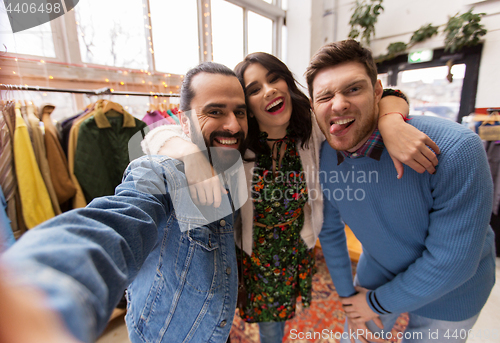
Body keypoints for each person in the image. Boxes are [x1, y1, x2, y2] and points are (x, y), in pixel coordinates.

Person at [146, 52, 440, 343]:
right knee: (270, 329)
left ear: (288, 84)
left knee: (285, 319)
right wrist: (190, 156)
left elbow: (389, 92)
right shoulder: (236, 141)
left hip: (296, 254)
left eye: (275, 79)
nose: (269, 90)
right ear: (246, 106)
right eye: (255, 89)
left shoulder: (313, 127)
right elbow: (155, 136)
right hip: (255, 262)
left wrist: (391, 119)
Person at [0, 62, 249, 343]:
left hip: (217, 326)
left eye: (239, 112)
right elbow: (118, 223)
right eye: (215, 111)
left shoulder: (232, 163)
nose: (233, 124)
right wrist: (37, 294)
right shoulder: (160, 173)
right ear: (184, 120)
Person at [305, 39, 496, 343]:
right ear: (313, 106)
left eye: (353, 89)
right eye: (325, 95)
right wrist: (348, 298)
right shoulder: (324, 156)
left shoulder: (457, 150)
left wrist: (373, 304)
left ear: (378, 92)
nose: (338, 103)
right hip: (378, 269)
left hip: (453, 294)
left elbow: (453, 264)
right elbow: (329, 231)